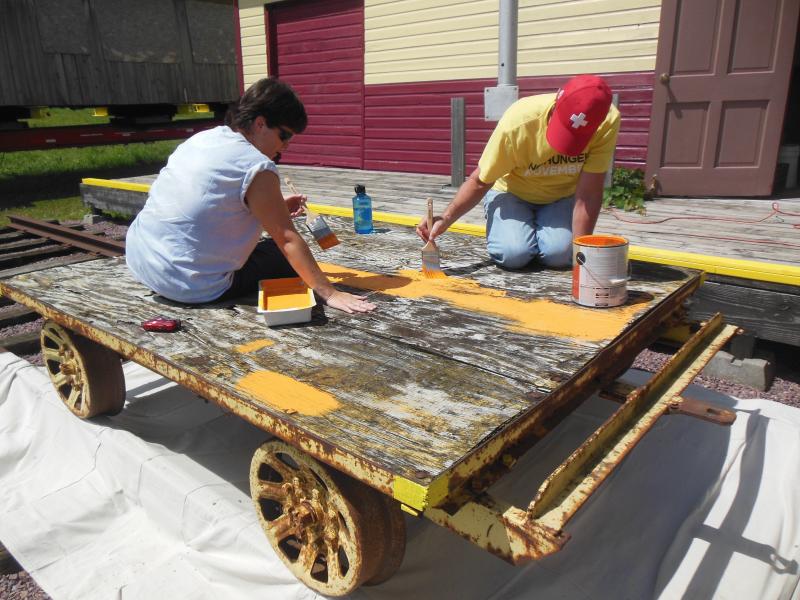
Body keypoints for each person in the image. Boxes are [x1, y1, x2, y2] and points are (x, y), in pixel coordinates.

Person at [126, 77, 375, 314]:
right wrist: (330, 293)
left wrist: (276, 206)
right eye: (284, 135)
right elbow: (287, 239)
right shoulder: (256, 165)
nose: (286, 145)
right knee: (280, 255)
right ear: (260, 123)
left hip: (143, 261)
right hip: (190, 285)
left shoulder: (202, 139)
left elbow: (206, 203)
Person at [417, 74, 620, 269]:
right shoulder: (519, 121)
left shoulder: (607, 121)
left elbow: (589, 194)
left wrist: (581, 258)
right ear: (557, 103)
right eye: (562, 130)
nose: (562, 148)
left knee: (561, 254)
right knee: (513, 254)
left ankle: (542, 234)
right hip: (511, 192)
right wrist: (446, 218)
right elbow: (480, 181)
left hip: (559, 197)